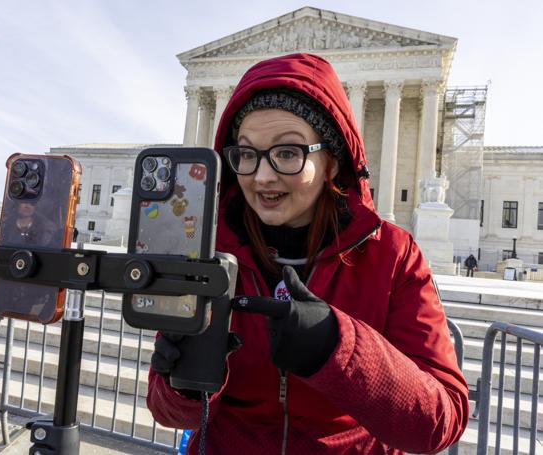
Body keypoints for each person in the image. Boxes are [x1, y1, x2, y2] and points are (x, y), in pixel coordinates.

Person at [147, 53, 469, 454]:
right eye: (246, 154)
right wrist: (183, 384)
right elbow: (168, 413)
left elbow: (441, 421)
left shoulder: (392, 257)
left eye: (287, 153)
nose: (262, 176)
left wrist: (340, 347)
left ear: (332, 162)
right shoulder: (209, 254)